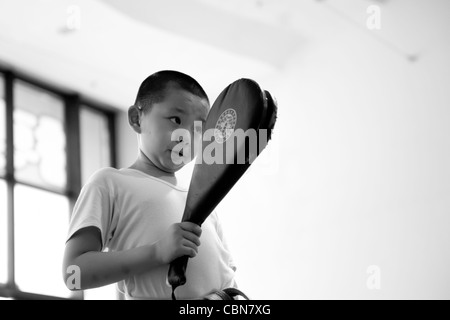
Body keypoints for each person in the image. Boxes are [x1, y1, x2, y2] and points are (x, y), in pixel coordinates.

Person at [63, 70, 237, 300]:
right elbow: (72, 275)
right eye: (176, 120)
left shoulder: (206, 201)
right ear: (136, 118)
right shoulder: (110, 182)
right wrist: (156, 252)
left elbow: (229, 280)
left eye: (198, 130)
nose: (186, 136)